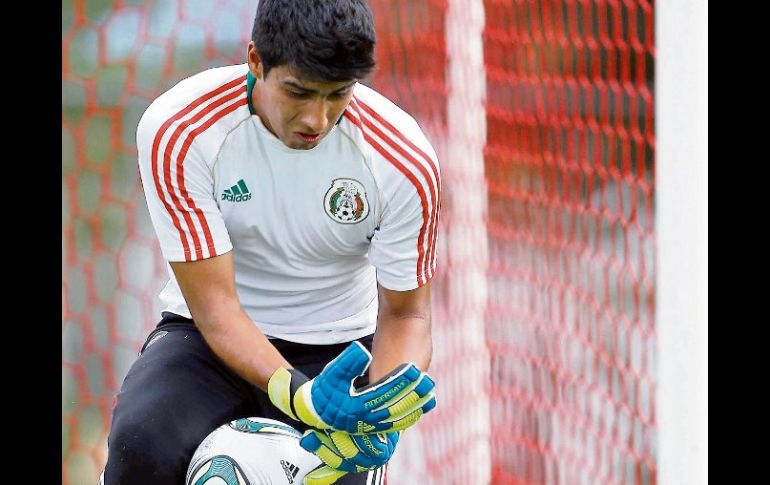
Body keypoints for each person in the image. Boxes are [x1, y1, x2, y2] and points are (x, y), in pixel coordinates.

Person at [102, 0, 440, 483]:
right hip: (204, 341)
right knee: (141, 445)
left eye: (337, 95)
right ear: (256, 60)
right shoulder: (179, 129)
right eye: (299, 92)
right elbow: (215, 306)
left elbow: (408, 314)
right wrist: (296, 395)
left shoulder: (404, 160)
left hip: (339, 358)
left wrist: (377, 408)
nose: (316, 120)